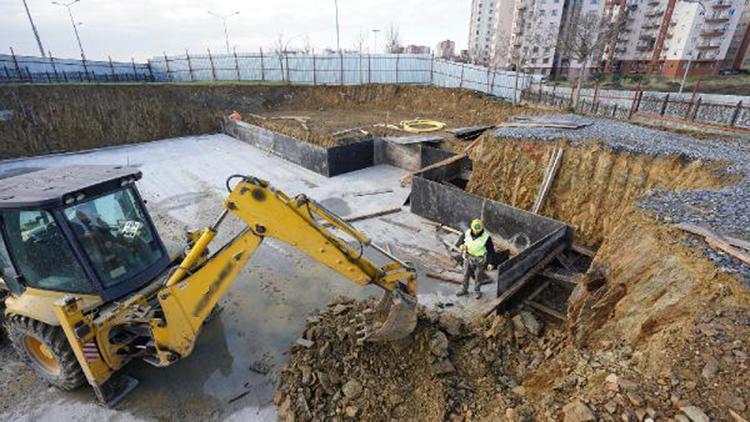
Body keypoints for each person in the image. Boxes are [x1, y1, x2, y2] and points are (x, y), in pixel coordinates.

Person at [455, 219, 496, 299]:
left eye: (478, 231)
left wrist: (491, 263)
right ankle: (464, 289)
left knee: (478, 276)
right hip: (468, 257)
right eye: (475, 230)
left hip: (480, 260)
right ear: (471, 228)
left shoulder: (486, 238)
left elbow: (491, 251)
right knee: (466, 274)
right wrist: (461, 246)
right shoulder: (467, 233)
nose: (477, 232)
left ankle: (477, 291)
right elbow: (460, 242)